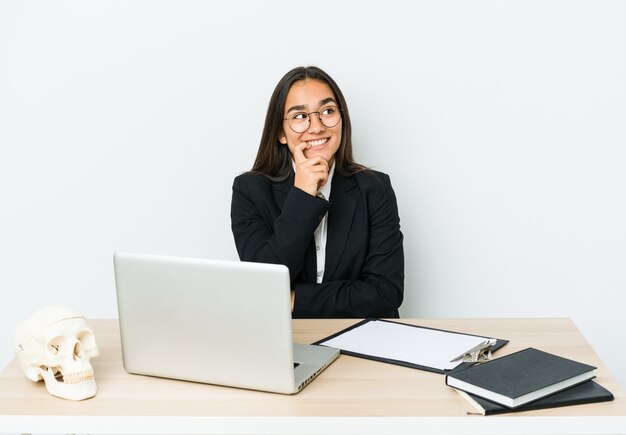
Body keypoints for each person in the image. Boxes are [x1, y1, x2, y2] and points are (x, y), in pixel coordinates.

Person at [230, 66, 404, 318]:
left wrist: (294, 299)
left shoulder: (375, 188)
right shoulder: (250, 190)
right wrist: (302, 196)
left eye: (327, 111)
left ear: (341, 119)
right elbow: (264, 286)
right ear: (280, 132)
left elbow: (386, 292)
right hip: (287, 338)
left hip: (363, 336)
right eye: (300, 116)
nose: (317, 127)